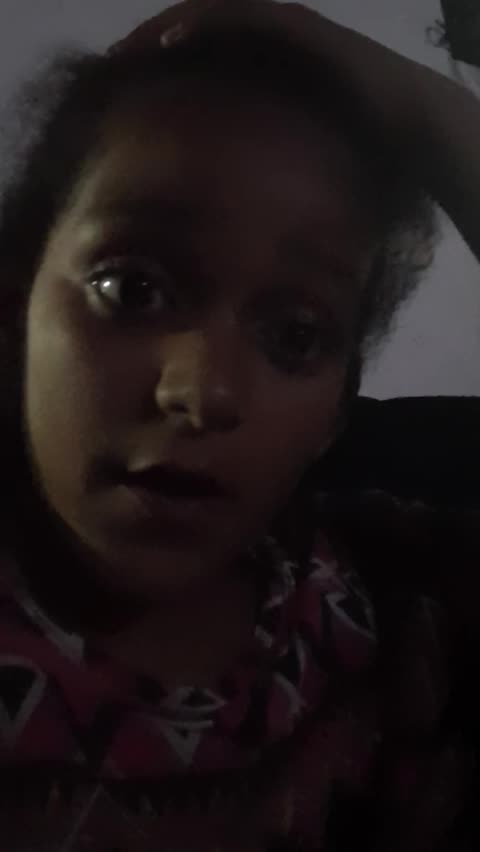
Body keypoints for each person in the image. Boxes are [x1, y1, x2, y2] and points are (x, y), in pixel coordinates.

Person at [0, 0, 478, 849]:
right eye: (131, 289)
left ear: (335, 411)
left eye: (295, 337)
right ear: (14, 314)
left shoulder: (386, 605)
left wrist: (427, 111)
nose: (205, 391)